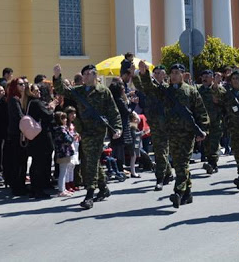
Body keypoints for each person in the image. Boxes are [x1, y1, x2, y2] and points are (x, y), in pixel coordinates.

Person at [137, 61, 209, 209]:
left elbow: (201, 111)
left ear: (183, 74)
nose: (174, 76)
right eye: (172, 73)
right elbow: (150, 89)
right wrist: (144, 74)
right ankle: (188, 193)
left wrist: (203, 130)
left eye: (177, 73)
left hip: (187, 133)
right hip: (171, 132)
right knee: (178, 164)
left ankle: (178, 192)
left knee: (182, 163)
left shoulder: (191, 91)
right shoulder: (165, 90)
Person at [53, 64, 122, 210]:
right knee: (93, 160)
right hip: (84, 130)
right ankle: (103, 188)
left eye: (88, 74)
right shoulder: (79, 91)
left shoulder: (104, 91)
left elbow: (113, 111)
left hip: (98, 131)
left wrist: (117, 128)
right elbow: (61, 91)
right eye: (84, 74)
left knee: (90, 161)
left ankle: (89, 194)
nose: (85, 76)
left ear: (95, 75)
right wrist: (57, 77)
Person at [133, 65, 173, 191]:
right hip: (155, 124)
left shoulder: (167, 88)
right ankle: (165, 174)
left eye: (159, 72)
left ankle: (161, 177)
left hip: (167, 124)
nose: (156, 74)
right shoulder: (150, 87)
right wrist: (135, 75)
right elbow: (141, 86)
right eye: (155, 72)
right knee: (160, 151)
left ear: (164, 75)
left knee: (162, 151)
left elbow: (153, 88)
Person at [196, 70, 226, 174]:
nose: (204, 78)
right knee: (206, 145)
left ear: (212, 78)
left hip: (215, 122)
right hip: (204, 123)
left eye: (207, 76)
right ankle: (212, 163)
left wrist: (215, 86)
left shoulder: (218, 89)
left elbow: (222, 101)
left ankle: (212, 164)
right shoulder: (198, 90)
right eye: (203, 76)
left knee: (213, 144)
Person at [5, 78, 29, 196]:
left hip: (17, 133)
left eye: (24, 84)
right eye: (20, 84)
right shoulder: (14, 100)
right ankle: (18, 186)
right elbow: (20, 117)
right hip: (17, 134)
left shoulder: (16, 99)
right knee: (19, 161)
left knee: (20, 161)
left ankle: (19, 185)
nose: (23, 86)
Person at [53, 111, 75, 197]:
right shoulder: (61, 129)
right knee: (63, 171)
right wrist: (73, 136)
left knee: (64, 171)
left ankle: (63, 189)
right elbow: (68, 139)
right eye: (64, 118)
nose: (66, 120)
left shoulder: (60, 128)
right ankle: (61, 190)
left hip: (64, 152)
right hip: (63, 152)